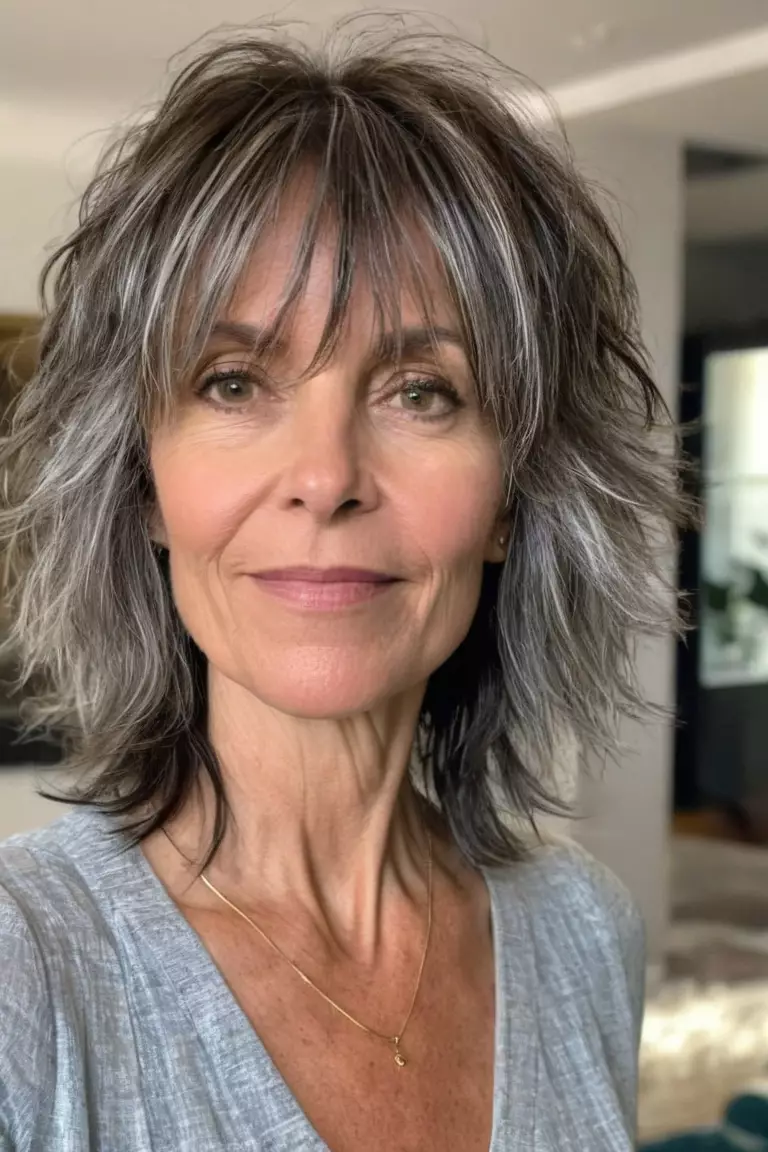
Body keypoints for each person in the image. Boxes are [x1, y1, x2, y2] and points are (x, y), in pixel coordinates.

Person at [0, 21, 686, 1152]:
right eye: (234, 382)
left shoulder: (583, 931)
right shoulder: (27, 969)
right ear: (141, 485)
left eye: (422, 391)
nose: (324, 479)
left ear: (516, 492)